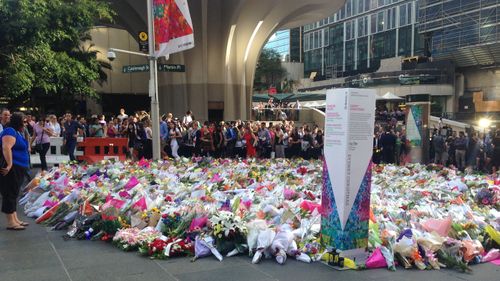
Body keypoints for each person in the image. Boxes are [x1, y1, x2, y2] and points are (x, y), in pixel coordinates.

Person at [0, 112, 30, 230]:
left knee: (14, 193)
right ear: (18, 121)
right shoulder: (10, 131)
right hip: (12, 168)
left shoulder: (17, 132)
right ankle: (10, 222)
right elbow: (6, 147)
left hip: (19, 167)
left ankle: (15, 219)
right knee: (9, 193)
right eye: (24, 121)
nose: (25, 123)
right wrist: (10, 164)